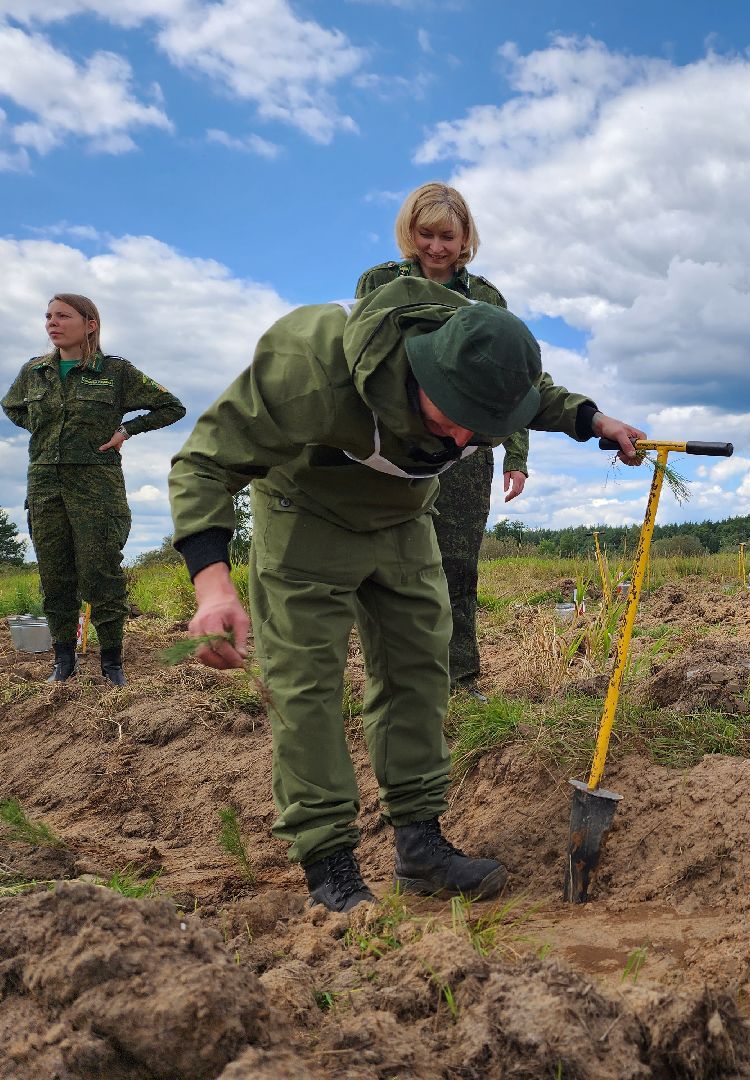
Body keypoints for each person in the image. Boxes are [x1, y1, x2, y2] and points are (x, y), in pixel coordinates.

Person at [168, 276, 645, 913]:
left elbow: (540, 399)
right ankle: (330, 865)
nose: (457, 442)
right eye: (452, 419)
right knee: (306, 683)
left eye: (479, 431)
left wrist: (597, 421)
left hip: (402, 521)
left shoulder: (480, 361)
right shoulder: (309, 364)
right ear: (424, 372)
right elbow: (203, 462)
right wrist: (211, 581)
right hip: (304, 515)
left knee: (420, 672)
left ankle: (420, 847)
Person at [355, 182, 527, 701]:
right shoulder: (380, 282)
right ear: (410, 232)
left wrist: (516, 453)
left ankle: (462, 677)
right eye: (426, 234)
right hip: (396, 450)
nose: (435, 247)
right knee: (389, 563)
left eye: (447, 236)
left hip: (466, 453)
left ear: (465, 237)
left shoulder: (487, 298)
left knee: (458, 565)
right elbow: (362, 358)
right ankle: (400, 677)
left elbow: (509, 380)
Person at [3, 294, 185, 686]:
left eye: (62, 315)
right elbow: (13, 407)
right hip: (45, 485)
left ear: (90, 324)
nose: (52, 322)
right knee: (55, 573)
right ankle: (63, 661)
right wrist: (46, 431)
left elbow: (171, 406)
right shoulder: (34, 372)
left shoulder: (115, 371)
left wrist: (125, 431)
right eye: (48, 316)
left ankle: (112, 663)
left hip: (96, 486)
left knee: (101, 572)